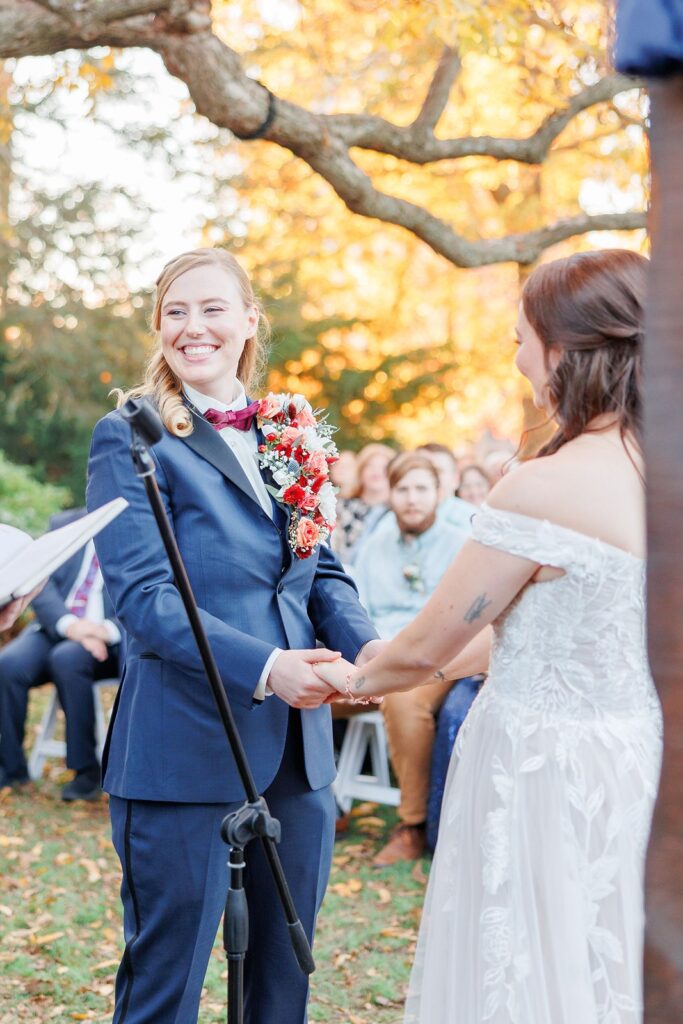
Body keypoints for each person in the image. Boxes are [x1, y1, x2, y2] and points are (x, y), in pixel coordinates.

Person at [316, 250, 662, 1023]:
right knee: (604, 956)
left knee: (524, 967)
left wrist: (350, 677)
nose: (513, 357)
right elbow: (524, 626)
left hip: (537, 767)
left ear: (565, 351)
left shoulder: (542, 485)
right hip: (632, 754)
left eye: (519, 339)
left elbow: (431, 644)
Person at [86, 247, 382, 1024]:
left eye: (213, 308)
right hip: (184, 748)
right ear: (157, 327)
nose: (194, 327)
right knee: (165, 983)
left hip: (298, 751)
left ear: (249, 320)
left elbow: (321, 573)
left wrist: (369, 648)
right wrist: (268, 665)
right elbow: (146, 600)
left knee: (283, 988)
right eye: (175, 312)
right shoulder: (131, 437)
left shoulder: (291, 430)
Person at [352, 451, 469, 865]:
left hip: (433, 662)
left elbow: (457, 622)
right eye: (403, 489)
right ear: (391, 494)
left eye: (422, 489)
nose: (412, 499)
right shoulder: (376, 544)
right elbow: (356, 605)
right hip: (372, 656)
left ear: (439, 493)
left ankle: (412, 825)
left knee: (403, 700)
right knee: (310, 689)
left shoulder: (460, 545)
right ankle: (325, 804)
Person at [0, 508, 121, 799]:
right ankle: (11, 768)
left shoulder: (140, 529)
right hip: (59, 627)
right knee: (7, 664)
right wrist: (72, 627)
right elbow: (40, 582)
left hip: (110, 640)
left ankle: (86, 772)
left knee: (67, 658)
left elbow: (151, 590)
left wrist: (105, 631)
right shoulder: (66, 524)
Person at [332, 442, 394, 565]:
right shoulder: (339, 507)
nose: (377, 471)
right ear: (360, 471)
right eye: (370, 466)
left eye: (384, 467)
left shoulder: (397, 514)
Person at [417, 442, 475, 531]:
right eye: (422, 469)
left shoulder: (472, 521)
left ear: (455, 479)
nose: (428, 477)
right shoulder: (393, 521)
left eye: (438, 471)